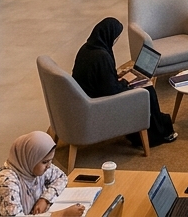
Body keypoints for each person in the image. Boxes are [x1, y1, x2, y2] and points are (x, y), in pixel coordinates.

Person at [72, 18, 177, 150]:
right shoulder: (102, 57)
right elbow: (110, 90)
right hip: (101, 103)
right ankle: (155, 132)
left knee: (142, 84)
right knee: (147, 90)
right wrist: (126, 83)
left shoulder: (87, 49)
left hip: (88, 97)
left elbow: (100, 78)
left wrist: (117, 76)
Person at [0, 131, 82, 217]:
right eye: (45, 162)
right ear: (30, 158)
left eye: (50, 161)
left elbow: (61, 177)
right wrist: (61, 214)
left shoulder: (32, 168)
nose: (49, 166)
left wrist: (45, 199)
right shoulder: (6, 182)